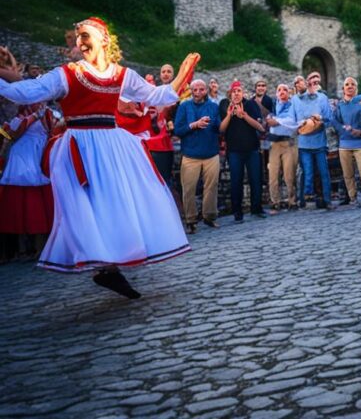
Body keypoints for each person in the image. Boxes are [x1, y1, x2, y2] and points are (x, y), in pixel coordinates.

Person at [0, 18, 200, 299]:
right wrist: (8, 77)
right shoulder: (66, 74)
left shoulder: (122, 75)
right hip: (79, 146)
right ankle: (104, 267)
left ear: (105, 39)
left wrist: (181, 75)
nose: (80, 42)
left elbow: (157, 97)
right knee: (87, 205)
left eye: (85, 35)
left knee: (119, 202)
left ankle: (110, 268)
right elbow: (28, 92)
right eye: (77, 38)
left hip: (112, 144)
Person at [0, 103, 55, 256]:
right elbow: (14, 134)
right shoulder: (21, 116)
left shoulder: (48, 113)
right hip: (25, 158)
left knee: (42, 201)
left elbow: (51, 129)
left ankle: (41, 246)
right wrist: (33, 116)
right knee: (27, 202)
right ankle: (26, 248)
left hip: (41, 154)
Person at [282, 72, 337, 209]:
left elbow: (329, 119)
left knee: (324, 172)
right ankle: (304, 199)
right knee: (307, 172)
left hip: (320, 142)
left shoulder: (322, 98)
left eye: (315, 83)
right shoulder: (295, 100)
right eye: (310, 82)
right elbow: (291, 120)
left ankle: (327, 200)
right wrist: (299, 124)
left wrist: (320, 119)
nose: (313, 85)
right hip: (304, 143)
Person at [174, 79, 222, 233]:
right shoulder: (184, 106)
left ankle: (209, 217)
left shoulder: (213, 107)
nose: (198, 93)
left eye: (201, 89)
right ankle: (191, 220)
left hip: (211, 153)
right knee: (188, 188)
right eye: (195, 90)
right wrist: (194, 125)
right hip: (190, 154)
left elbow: (219, 128)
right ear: (191, 90)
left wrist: (215, 123)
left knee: (211, 187)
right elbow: (178, 130)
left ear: (206, 91)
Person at [219, 80, 266, 222]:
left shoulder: (250, 104)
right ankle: (237, 212)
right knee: (236, 182)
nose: (236, 94)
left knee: (255, 180)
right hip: (234, 151)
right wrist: (229, 115)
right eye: (234, 91)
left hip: (252, 149)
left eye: (239, 91)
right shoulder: (224, 105)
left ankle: (256, 209)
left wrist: (244, 115)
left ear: (243, 93)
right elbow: (221, 129)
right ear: (230, 94)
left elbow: (261, 127)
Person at [333, 77, 361, 206]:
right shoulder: (339, 105)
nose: (350, 86)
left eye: (353, 84)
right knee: (348, 174)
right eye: (347, 84)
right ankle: (352, 197)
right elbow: (335, 120)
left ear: (356, 88)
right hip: (344, 144)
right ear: (343, 88)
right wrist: (342, 131)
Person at [265, 83, 299, 212]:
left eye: (285, 89)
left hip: (287, 143)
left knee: (289, 174)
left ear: (289, 92)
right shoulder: (273, 106)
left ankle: (292, 200)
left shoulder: (292, 106)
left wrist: (277, 121)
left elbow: (293, 121)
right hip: (274, 143)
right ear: (276, 93)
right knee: (273, 174)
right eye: (279, 89)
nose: (282, 91)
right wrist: (270, 119)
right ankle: (275, 202)